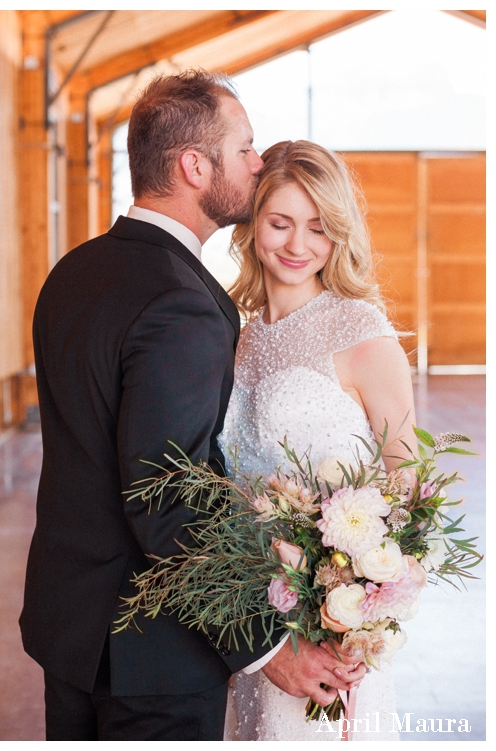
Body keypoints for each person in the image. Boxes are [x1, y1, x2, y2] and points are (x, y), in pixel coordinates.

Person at [20, 70, 363, 741]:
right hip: (152, 654)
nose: (257, 162)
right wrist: (267, 648)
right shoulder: (181, 302)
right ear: (193, 166)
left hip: (68, 631)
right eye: (244, 149)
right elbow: (167, 494)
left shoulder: (72, 273)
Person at [220, 140, 415, 741]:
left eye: (317, 228)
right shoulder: (236, 335)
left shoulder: (361, 330)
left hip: (330, 628)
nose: (297, 245)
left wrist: (358, 610)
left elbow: (406, 485)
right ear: (253, 227)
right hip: (253, 622)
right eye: (280, 223)